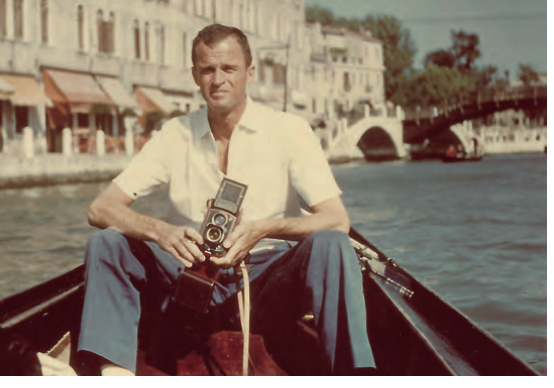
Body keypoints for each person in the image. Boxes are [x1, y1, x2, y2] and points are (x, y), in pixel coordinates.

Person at [78, 24, 375, 376]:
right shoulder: (175, 133)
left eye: (228, 68)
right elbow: (100, 209)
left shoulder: (290, 130)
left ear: (250, 73)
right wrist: (161, 232)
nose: (218, 79)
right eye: (207, 69)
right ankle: (115, 377)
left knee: (332, 244)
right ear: (195, 76)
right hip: (189, 277)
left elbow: (336, 219)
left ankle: (354, 376)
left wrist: (265, 229)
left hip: (267, 278)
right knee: (106, 243)